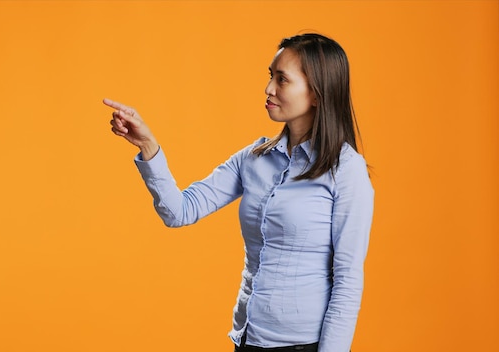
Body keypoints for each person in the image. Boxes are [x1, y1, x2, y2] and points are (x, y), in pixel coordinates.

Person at [103, 33, 374, 352]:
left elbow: (347, 282)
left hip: (304, 345)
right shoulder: (254, 158)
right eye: (270, 76)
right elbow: (180, 212)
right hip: (246, 339)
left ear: (316, 93)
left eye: (282, 79)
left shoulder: (346, 169)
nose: (269, 88)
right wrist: (148, 145)